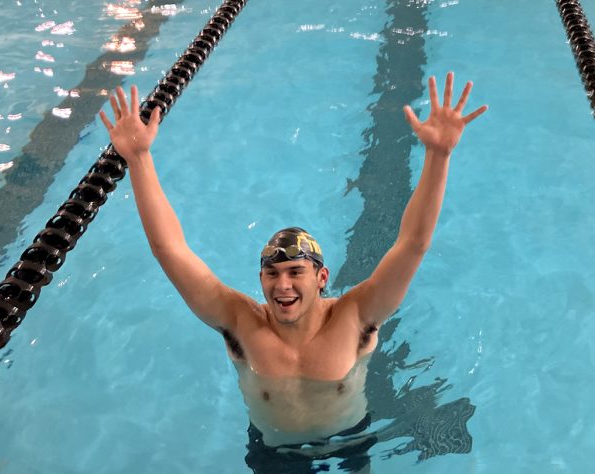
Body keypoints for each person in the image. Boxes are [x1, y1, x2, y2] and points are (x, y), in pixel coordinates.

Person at [99, 72, 487, 471]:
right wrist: (139, 159)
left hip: (350, 445)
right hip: (274, 456)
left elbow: (413, 244)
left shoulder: (356, 315)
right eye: (272, 274)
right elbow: (170, 251)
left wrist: (438, 156)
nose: (282, 285)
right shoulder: (240, 321)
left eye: (295, 272)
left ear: (321, 277)